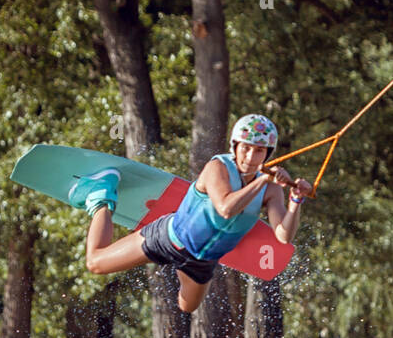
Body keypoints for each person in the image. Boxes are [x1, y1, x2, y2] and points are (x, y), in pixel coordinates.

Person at [67, 114, 313, 313]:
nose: (250, 157)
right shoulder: (217, 168)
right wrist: (260, 181)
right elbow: (226, 208)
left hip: (202, 260)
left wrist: (296, 200)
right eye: (246, 149)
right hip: (168, 238)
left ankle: (177, 268)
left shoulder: (271, 190)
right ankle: (101, 196)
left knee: (187, 307)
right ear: (235, 146)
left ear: (268, 153)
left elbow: (283, 236)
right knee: (95, 263)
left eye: (259, 151)